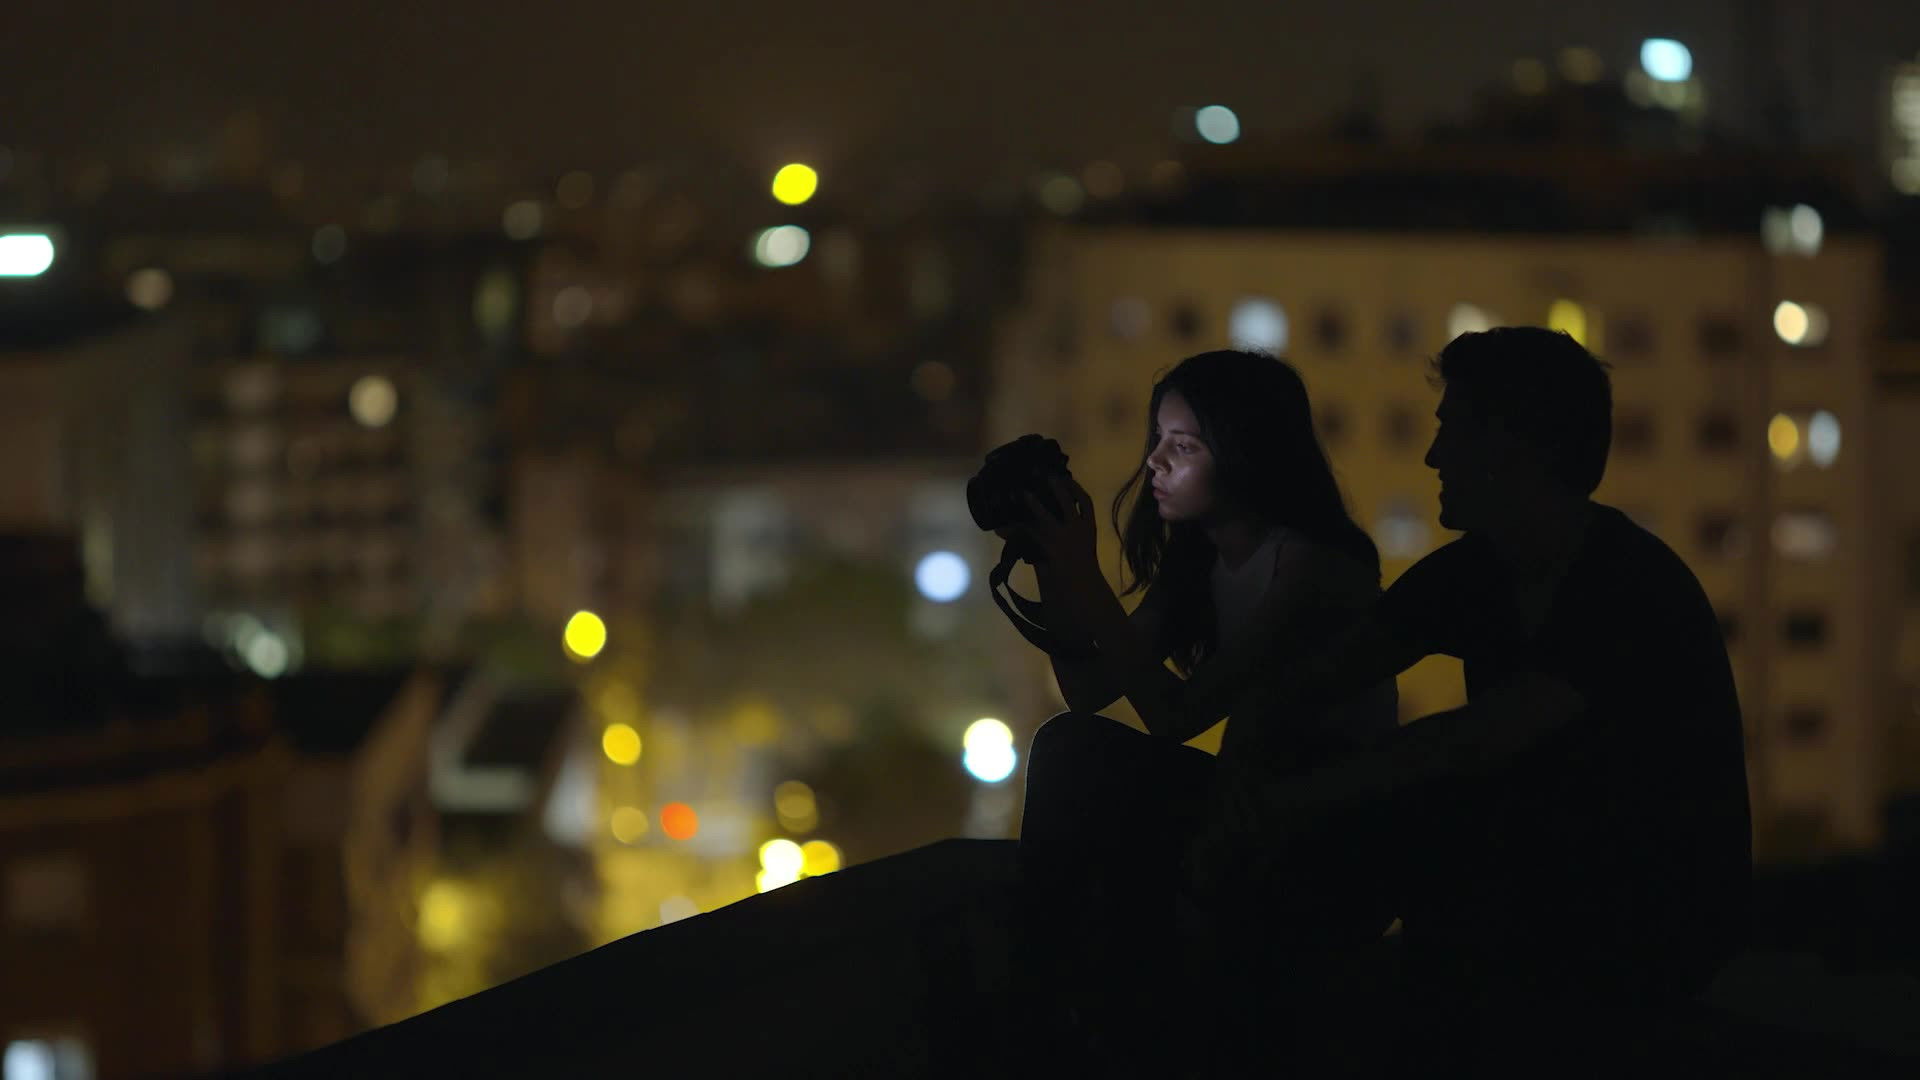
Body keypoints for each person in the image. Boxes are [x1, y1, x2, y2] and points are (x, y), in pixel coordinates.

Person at [1191, 327, 1753, 1074]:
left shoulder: (1626, 585)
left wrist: (1284, 803)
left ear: (1516, 447)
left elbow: (1475, 741)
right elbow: (1315, 681)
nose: (1433, 457)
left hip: (1646, 921)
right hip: (1535, 884)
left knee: (1399, 800)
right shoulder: (1475, 573)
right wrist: (1248, 772)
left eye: (1452, 429)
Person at [991, 349, 1399, 1071]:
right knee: (1070, 743)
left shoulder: (1313, 565)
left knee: (1074, 757)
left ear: (1247, 455)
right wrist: (1054, 565)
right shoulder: (1202, 562)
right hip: (1248, 801)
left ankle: (1040, 1003)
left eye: (1183, 446)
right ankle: (1048, 991)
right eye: (1157, 439)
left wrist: (1086, 575)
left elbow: (1176, 716)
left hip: (1327, 827)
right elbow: (1088, 690)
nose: (1155, 462)